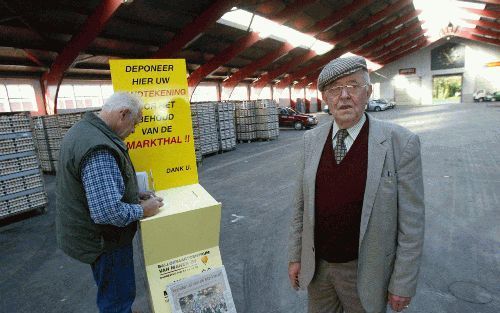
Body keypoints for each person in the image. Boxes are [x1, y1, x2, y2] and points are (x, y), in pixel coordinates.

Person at [288, 56, 425, 313]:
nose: (344, 96)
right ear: (326, 99)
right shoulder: (311, 140)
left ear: (368, 92)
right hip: (319, 269)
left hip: (365, 272)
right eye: (334, 89)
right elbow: (300, 207)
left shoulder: (401, 143)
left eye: (353, 85)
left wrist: (402, 282)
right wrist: (296, 256)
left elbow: (412, 223)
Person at [56, 92, 164, 313]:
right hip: (105, 241)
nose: (134, 131)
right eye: (134, 124)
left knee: (112, 292)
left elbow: (98, 189)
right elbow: (107, 212)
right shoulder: (99, 149)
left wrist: (133, 194)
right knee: (117, 297)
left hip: (88, 234)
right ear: (123, 114)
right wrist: (143, 209)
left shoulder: (84, 130)